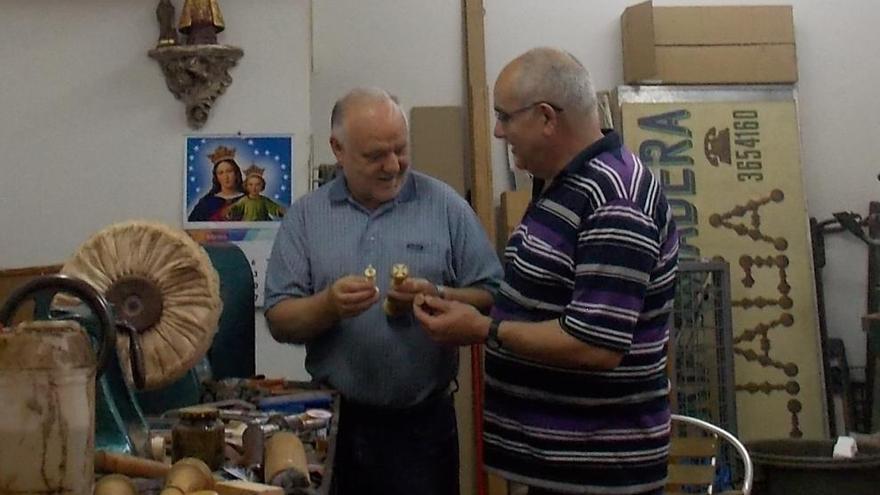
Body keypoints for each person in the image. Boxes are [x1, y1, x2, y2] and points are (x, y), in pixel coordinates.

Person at [414, 47, 679, 495]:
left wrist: (484, 329)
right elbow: (543, 298)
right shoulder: (562, 184)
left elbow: (594, 345)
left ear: (546, 118)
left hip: (597, 475)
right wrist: (452, 297)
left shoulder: (615, 200)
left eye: (504, 117)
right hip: (559, 469)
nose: (498, 131)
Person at [263, 87, 503, 495]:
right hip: (334, 425)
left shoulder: (444, 206)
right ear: (338, 149)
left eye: (400, 149)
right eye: (375, 155)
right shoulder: (306, 217)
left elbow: (493, 295)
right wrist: (328, 306)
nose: (393, 166)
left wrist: (439, 295)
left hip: (423, 430)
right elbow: (279, 319)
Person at [188, 145, 245, 221]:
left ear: (236, 173)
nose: (226, 176)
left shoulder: (248, 199)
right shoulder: (207, 202)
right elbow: (193, 224)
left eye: (229, 171)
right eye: (221, 173)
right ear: (216, 177)